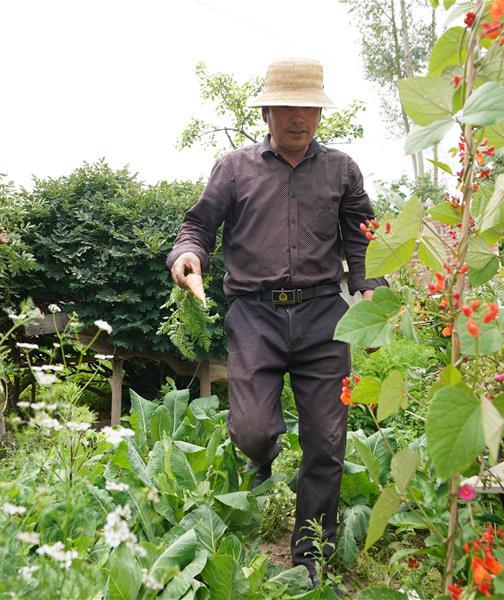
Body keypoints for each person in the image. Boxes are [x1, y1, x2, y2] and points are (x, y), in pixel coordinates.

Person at [166, 57, 387, 585]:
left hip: (322, 316)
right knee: (252, 430)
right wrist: (187, 257)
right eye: (287, 107)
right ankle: (261, 456)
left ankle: (311, 554)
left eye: (308, 108)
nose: (298, 118)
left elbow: (362, 239)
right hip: (254, 316)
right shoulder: (234, 168)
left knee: (328, 442)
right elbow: (197, 225)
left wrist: (374, 299)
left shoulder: (341, 169)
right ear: (266, 110)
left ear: (318, 113)